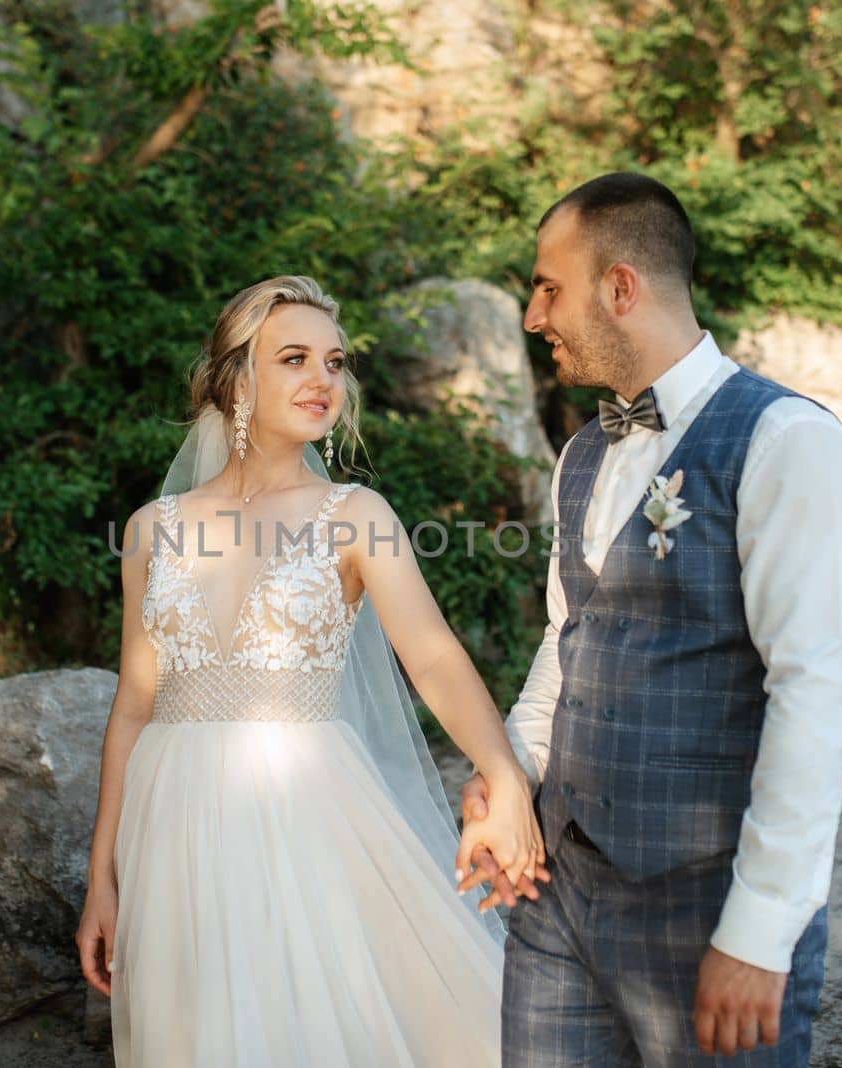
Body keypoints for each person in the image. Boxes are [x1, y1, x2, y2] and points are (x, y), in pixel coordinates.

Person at [456, 173, 842, 1066]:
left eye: (547, 287)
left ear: (620, 288)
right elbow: (566, 646)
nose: (535, 317)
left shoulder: (788, 442)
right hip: (555, 897)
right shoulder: (580, 455)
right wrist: (512, 773)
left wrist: (759, 933)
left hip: (706, 902)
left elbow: (815, 695)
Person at [75, 275, 546, 1066]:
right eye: (294, 358)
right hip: (172, 822)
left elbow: (431, 655)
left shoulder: (357, 515)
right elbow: (133, 705)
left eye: (335, 362)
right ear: (235, 379)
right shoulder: (151, 530)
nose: (323, 379)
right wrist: (103, 878)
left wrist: (502, 772)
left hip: (305, 811)